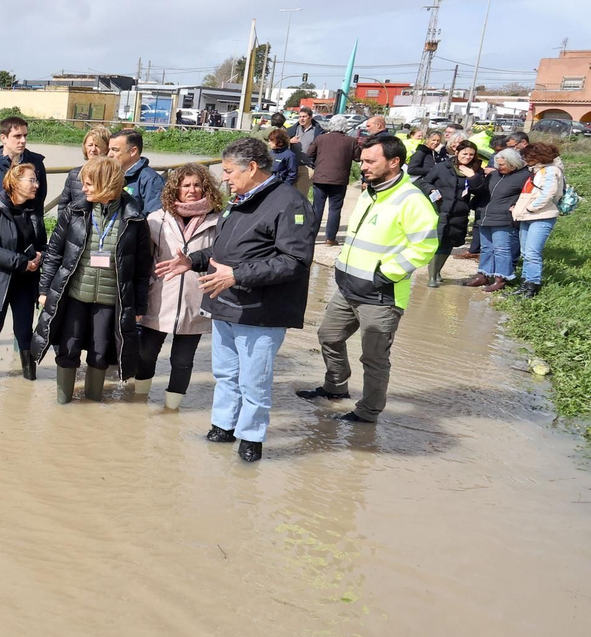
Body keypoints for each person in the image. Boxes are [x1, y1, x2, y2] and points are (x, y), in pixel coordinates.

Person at [155, 138, 315, 462]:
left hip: (260, 312)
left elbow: (295, 261)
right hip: (224, 304)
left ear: (252, 168)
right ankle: (222, 428)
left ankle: (251, 441)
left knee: (254, 381)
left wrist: (238, 275)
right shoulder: (239, 199)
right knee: (226, 374)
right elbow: (225, 250)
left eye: (228, 171)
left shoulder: (289, 203)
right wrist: (193, 260)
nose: (224, 177)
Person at [296, 136, 439, 424]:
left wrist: (386, 273)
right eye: (362, 161)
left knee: (374, 358)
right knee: (329, 336)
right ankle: (335, 387)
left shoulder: (412, 200)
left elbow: (425, 246)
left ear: (394, 162)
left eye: (371, 161)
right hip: (348, 287)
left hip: (381, 295)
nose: (363, 166)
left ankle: (368, 412)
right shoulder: (369, 193)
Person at [31, 157, 151, 404]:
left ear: (106, 183)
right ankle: (63, 405)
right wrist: (44, 290)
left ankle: (93, 403)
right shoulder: (74, 211)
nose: (83, 188)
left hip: (110, 301)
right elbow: (54, 253)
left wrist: (139, 306)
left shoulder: (135, 218)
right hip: (74, 296)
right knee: (67, 350)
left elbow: (142, 268)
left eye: (88, 184)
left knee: (100, 354)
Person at [136, 163, 223, 409]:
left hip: (196, 300)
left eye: (197, 185)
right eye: (186, 185)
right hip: (159, 297)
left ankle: (171, 410)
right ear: (175, 188)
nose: (192, 190)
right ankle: (138, 402)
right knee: (146, 354)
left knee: (182, 361)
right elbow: (144, 262)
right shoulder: (157, 219)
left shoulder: (218, 221)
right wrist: (146, 290)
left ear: (206, 188)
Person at [0, 163, 47, 378]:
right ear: (15, 183)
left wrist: (41, 256)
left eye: (36, 180)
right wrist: (21, 262)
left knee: (24, 333)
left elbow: (43, 245)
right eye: (31, 180)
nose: (37, 185)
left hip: (26, 283)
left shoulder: (34, 211)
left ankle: (29, 380)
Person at [422, 140, 489, 287]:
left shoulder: (476, 170)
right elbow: (425, 182)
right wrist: (432, 190)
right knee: (438, 244)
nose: (468, 157)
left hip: (460, 213)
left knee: (449, 244)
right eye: (465, 153)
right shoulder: (442, 167)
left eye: (471, 154)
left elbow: (481, 191)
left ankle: (437, 271)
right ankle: (432, 277)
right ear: (457, 152)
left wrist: (472, 177)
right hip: (440, 210)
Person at [465, 148, 528, 293]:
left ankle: (501, 279)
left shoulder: (524, 176)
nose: (499, 167)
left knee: (501, 250)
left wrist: (517, 206)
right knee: (486, 248)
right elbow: (482, 191)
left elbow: (528, 195)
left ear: (513, 163)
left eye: (502, 165)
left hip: (504, 218)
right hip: (486, 215)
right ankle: (483, 275)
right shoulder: (494, 175)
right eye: (498, 164)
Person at [512, 142, 566, 298]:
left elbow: (548, 193)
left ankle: (532, 286)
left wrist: (531, 208)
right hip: (527, 216)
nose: (525, 160)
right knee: (525, 253)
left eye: (527, 157)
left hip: (541, 216)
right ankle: (524, 284)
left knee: (532, 253)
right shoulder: (537, 170)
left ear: (537, 156)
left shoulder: (551, 171)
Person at [0, 116, 48, 217]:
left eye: (25, 135)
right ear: (3, 138)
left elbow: (41, 196)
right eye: (17, 136)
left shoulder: (36, 163)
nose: (23, 140)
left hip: (28, 223)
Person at [308, 120, 356, 246]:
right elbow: (357, 157)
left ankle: (312, 237)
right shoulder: (351, 141)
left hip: (320, 178)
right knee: (335, 209)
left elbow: (309, 153)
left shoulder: (320, 138)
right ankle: (330, 238)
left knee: (317, 208)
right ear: (344, 127)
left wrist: (316, 164)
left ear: (330, 126)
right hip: (339, 179)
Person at [52, 127, 111, 214]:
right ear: (85, 147)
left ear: (107, 148)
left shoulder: (112, 174)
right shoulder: (74, 174)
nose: (93, 149)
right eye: (90, 145)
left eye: (97, 145)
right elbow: (63, 205)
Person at [108, 129, 166, 213]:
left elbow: (155, 216)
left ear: (133, 151)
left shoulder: (151, 180)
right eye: (109, 149)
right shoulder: (110, 175)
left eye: (115, 150)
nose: (109, 155)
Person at [287, 107, 322, 198]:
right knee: (289, 194)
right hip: (292, 167)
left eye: (304, 116)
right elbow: (280, 144)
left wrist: (314, 167)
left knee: (301, 195)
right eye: (300, 117)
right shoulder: (293, 130)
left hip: (307, 167)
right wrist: (289, 141)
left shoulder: (317, 132)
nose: (301, 119)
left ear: (310, 117)